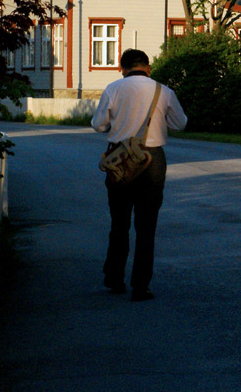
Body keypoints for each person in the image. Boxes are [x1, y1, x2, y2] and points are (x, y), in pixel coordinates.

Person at [91, 48, 187, 301]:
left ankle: (114, 278)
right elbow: (180, 123)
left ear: (122, 68)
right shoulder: (164, 91)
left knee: (119, 223)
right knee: (146, 226)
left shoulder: (113, 89)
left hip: (120, 158)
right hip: (152, 159)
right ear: (148, 67)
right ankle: (141, 286)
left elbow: (98, 125)